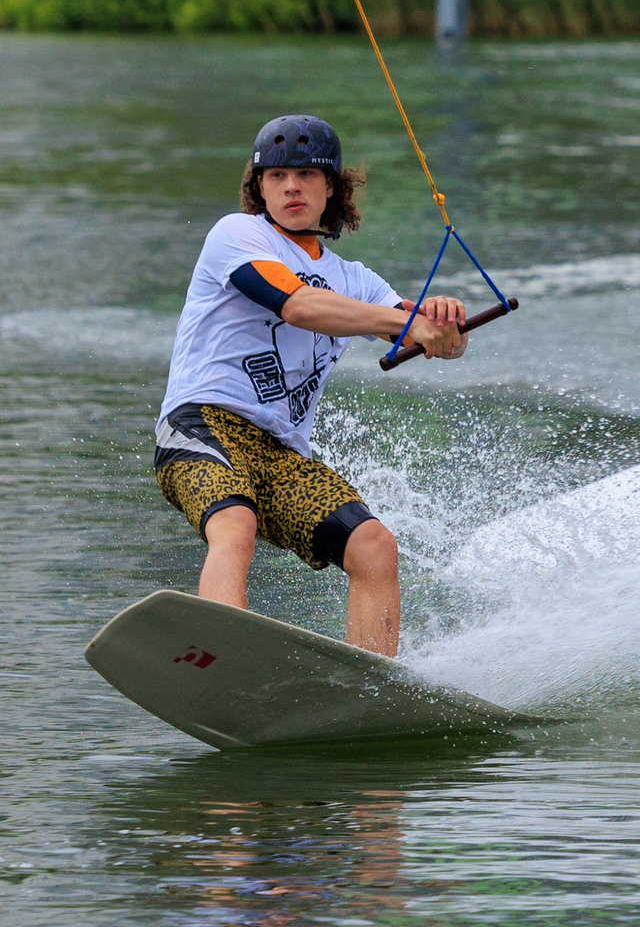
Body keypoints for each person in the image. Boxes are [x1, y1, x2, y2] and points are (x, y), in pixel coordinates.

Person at [152, 117, 471, 659]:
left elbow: (437, 340)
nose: (291, 187)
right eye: (275, 176)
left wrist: (443, 324)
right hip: (201, 424)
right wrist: (404, 323)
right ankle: (218, 653)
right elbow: (298, 306)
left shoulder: (358, 280)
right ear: (260, 188)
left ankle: (372, 683)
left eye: (305, 174)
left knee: (374, 547)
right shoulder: (238, 234)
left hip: (281, 451)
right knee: (235, 521)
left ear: (332, 188)